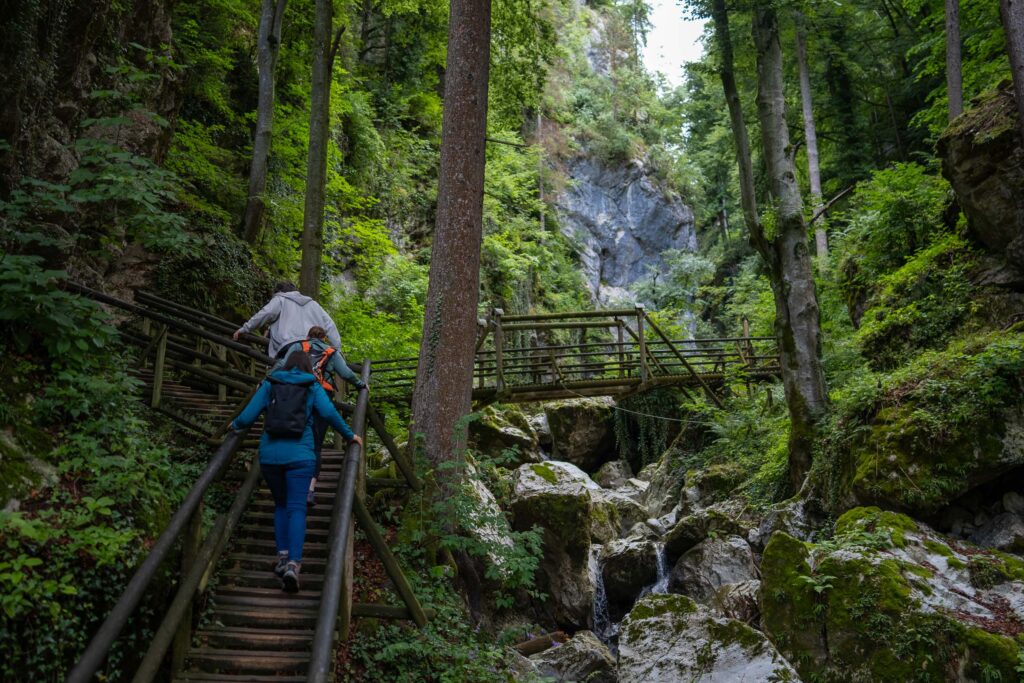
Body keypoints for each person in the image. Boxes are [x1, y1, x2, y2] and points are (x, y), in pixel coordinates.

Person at [231, 350, 363, 593]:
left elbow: (249, 414)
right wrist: (349, 436)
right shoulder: (311, 385)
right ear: (307, 368)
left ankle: (282, 557)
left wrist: (235, 425)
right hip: (301, 457)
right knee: (297, 507)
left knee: (280, 504)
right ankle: (293, 564)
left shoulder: (272, 384)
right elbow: (329, 413)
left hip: (270, 456)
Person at [273, 326, 368, 507]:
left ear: (307, 335)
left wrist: (267, 381)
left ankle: (289, 484)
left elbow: (281, 365)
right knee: (316, 444)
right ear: (324, 337)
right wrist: (360, 384)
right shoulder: (331, 352)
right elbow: (345, 373)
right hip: (322, 397)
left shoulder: (298, 346)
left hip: (297, 396)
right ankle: (310, 490)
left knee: (295, 437)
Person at [233, 281, 341, 359]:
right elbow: (330, 325)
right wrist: (337, 350)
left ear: (279, 292)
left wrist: (244, 329)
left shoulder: (280, 299)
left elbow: (265, 313)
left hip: (288, 347)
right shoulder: (314, 304)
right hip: (313, 349)